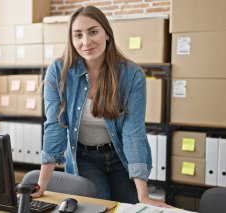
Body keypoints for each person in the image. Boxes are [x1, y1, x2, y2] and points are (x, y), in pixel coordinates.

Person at [32, 5, 171, 207]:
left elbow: (133, 133)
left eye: (93, 32)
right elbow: (55, 126)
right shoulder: (59, 71)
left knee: (129, 208)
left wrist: (144, 196)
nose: (86, 41)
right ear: (71, 40)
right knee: (98, 207)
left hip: (121, 156)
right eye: (78, 35)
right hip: (85, 158)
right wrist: (41, 185)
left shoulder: (131, 75)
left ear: (107, 34)